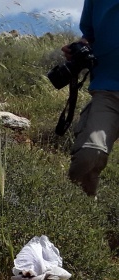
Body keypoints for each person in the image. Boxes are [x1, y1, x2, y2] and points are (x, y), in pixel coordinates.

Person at [66, 0, 119, 197]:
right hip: (108, 92)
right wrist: (79, 49)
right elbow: (89, 36)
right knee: (89, 155)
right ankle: (77, 214)